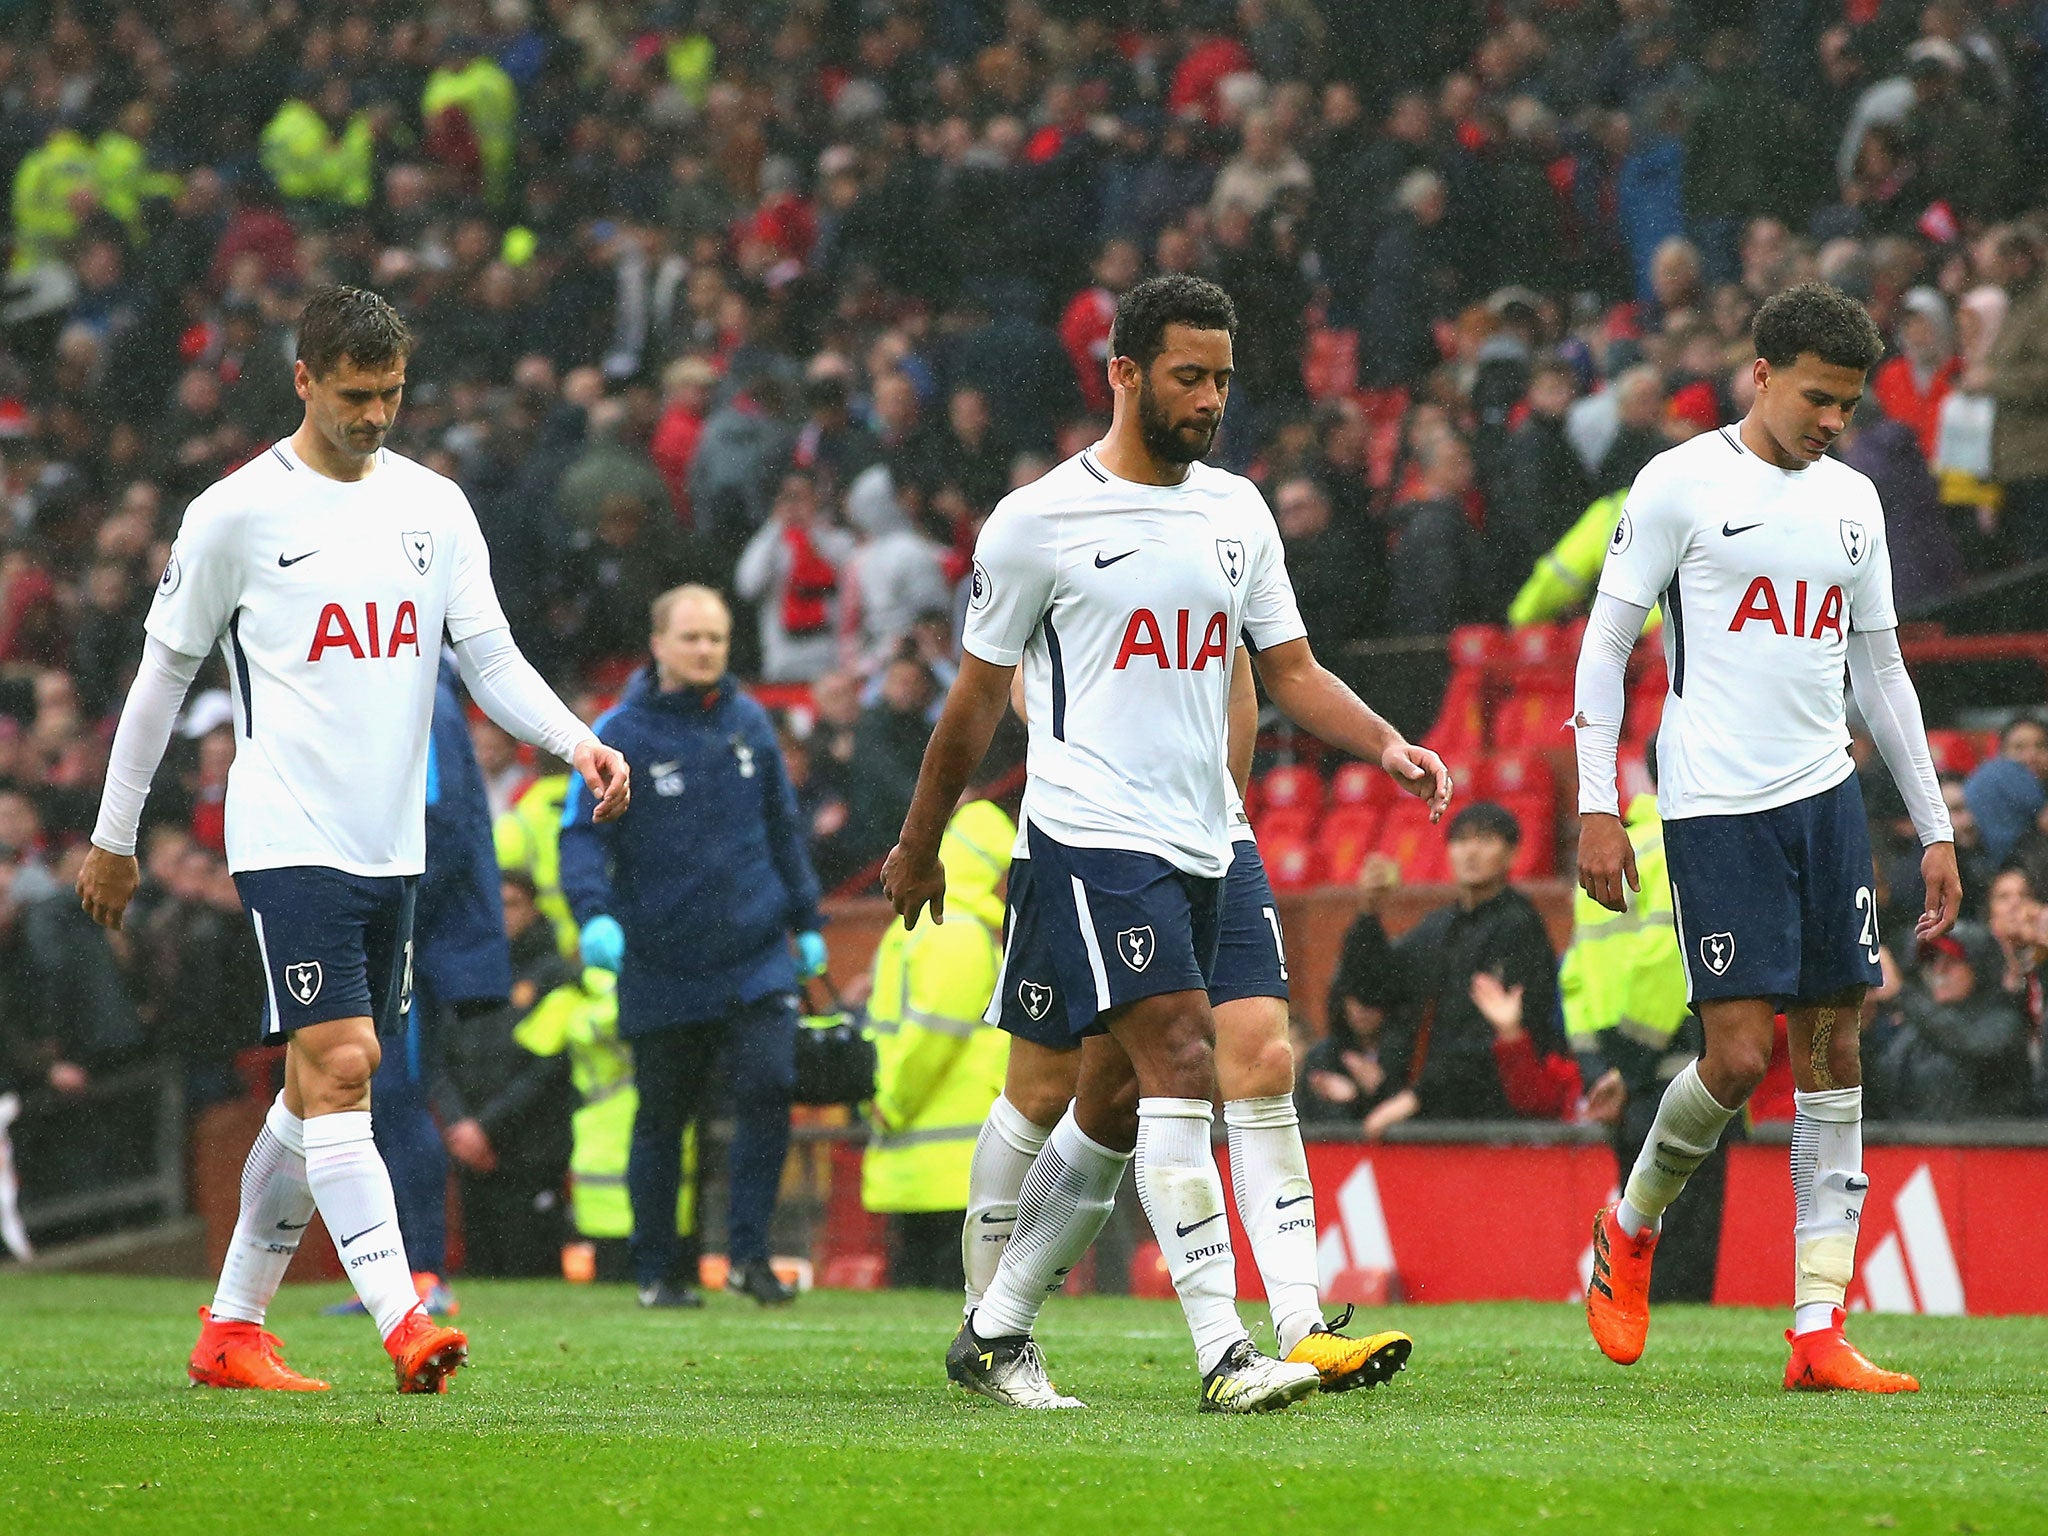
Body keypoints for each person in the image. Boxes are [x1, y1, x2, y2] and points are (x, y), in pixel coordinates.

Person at [881, 274, 1449, 1413]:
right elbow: (973, 704)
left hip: (1210, 836)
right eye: (1189, 377)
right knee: (1172, 1062)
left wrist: (1382, 741)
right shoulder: (1038, 520)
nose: (1210, 401)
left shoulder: (1235, 511)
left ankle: (994, 1330)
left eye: (1224, 381)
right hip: (1091, 836)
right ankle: (1225, 1353)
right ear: (1125, 373)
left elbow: (1286, 673)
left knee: (1122, 1093)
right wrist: (919, 841)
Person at [74, 285, 630, 1395]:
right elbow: (158, 681)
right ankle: (402, 1318)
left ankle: (230, 1329)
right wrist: (114, 835)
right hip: (288, 831)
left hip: (394, 847)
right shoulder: (234, 514)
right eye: (354, 395)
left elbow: (490, 657)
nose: (375, 415)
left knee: (309, 1091)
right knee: (346, 1066)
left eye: (390, 395)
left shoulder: (435, 507)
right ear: (303, 381)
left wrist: (578, 742)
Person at [1573, 282, 1958, 1393]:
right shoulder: (1678, 483)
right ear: (1758, 373)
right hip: (1710, 805)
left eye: (1844, 404)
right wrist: (1599, 800)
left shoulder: (1851, 500)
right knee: (1737, 1058)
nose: (1829, 421)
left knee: (1833, 1051)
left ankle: (1813, 1328)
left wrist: (1929, 825)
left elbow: (1877, 667)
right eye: (1813, 397)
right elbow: (1605, 648)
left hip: (1822, 798)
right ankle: (1629, 1222)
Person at [559, 583, 828, 1309]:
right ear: (658, 644)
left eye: (716, 637)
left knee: (771, 1087)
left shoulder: (750, 724)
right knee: (664, 1116)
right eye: (692, 638)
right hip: (661, 956)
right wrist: (594, 915)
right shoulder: (621, 733)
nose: (706, 649)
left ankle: (747, 1255)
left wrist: (806, 921)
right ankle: (659, 1272)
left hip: (754, 951)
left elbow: (783, 826)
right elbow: (581, 835)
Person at [1558, 743, 1724, 1302]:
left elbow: (1576, 974)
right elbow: (1674, 964)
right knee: (1684, 1250)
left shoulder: (1607, 851)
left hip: (1618, 1083)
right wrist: (1628, 1067)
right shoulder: (1687, 845)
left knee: (1639, 1232)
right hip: (1677, 1071)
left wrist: (1595, 1068)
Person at [862, 800, 1015, 1290]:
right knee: (949, 1301)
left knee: (915, 1301)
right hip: (954, 1169)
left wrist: (885, 1103)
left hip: (922, 1164)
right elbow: (932, 1041)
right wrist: (893, 1104)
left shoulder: (928, 927)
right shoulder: (961, 936)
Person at [1364, 802, 1577, 1138]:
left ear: (1512, 853)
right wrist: (1369, 912)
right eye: (1461, 841)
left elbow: (1496, 1034)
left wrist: (1417, 1096)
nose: (1471, 852)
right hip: (1434, 1109)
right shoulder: (1438, 925)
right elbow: (1376, 988)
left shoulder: (1520, 925)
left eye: (1486, 840)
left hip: (1497, 1114)